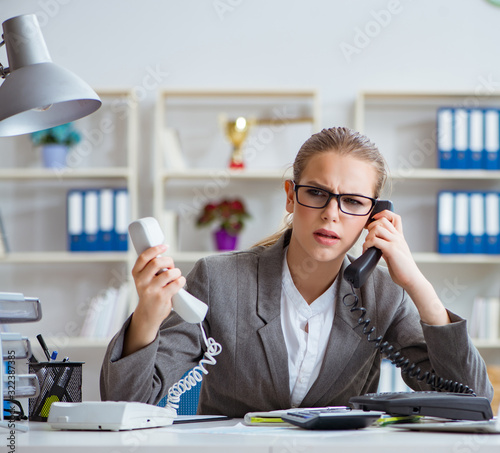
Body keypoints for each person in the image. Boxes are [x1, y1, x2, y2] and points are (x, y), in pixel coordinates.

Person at [100, 127, 493, 416]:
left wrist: (416, 284)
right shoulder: (218, 280)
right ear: (291, 196)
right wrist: (147, 318)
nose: (331, 214)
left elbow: (473, 401)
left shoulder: (381, 296)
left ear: (374, 216)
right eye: (317, 193)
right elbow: (125, 405)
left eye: (353, 201)